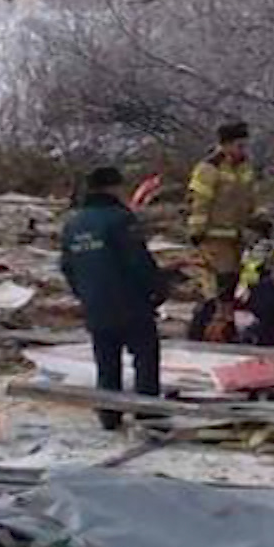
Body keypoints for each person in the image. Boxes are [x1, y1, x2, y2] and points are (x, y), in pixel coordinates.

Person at [59, 166, 165, 430]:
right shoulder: (120, 219)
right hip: (130, 301)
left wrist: (84, 294)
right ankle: (147, 413)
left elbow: (67, 266)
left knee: (106, 361)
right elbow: (138, 261)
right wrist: (157, 289)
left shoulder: (73, 223)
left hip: (95, 304)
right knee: (145, 356)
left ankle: (109, 414)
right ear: (112, 187)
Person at [188, 120, 259, 309]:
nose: (243, 150)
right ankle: (216, 318)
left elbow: (250, 199)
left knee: (236, 278)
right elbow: (200, 203)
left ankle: (226, 318)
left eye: (245, 145)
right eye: (239, 145)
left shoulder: (245, 167)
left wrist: (257, 219)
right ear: (225, 145)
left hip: (238, 235)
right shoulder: (209, 168)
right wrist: (197, 231)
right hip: (214, 235)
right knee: (222, 280)